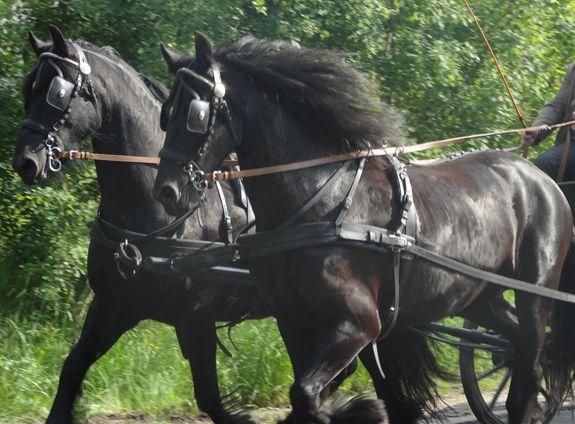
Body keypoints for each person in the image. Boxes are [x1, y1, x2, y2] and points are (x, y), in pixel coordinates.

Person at [522, 62, 575, 181]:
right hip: (570, 144)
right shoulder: (573, 69)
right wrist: (536, 129)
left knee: (544, 164)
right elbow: (558, 106)